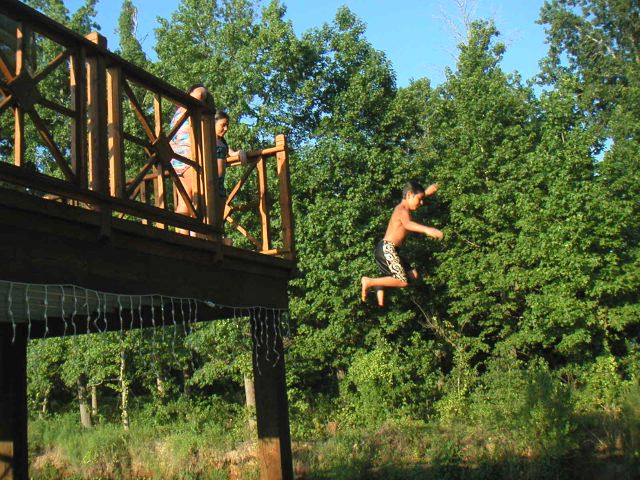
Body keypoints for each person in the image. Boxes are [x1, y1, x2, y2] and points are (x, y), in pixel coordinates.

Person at [361, 180, 443, 306]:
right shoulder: (401, 209)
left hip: (392, 250)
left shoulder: (406, 205)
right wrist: (427, 229)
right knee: (402, 281)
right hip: (387, 249)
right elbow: (407, 224)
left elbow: (415, 196)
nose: (421, 203)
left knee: (413, 275)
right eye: (420, 199)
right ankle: (370, 281)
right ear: (409, 195)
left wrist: (426, 192)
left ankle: (379, 283)